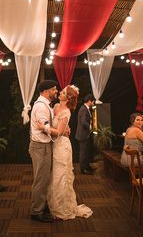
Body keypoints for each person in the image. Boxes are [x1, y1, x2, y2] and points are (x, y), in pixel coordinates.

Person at [37, 85, 93, 220]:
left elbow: (60, 132)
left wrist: (43, 128)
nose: (59, 93)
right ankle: (52, 205)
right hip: (54, 145)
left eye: (62, 92)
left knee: (60, 176)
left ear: (67, 98)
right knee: (53, 176)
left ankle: (61, 208)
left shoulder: (66, 112)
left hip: (62, 146)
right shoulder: (55, 106)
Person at [29, 80, 58, 222]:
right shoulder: (41, 107)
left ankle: (42, 205)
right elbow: (44, 126)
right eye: (54, 89)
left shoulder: (44, 104)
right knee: (41, 179)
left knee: (44, 178)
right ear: (46, 91)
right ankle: (36, 211)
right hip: (40, 147)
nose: (56, 91)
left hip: (42, 146)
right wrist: (59, 132)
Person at [75, 94, 96, 175]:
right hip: (83, 135)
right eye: (93, 102)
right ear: (90, 101)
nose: (93, 103)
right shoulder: (84, 109)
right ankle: (83, 169)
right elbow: (83, 122)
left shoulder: (85, 108)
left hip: (84, 134)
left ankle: (87, 166)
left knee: (86, 152)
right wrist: (91, 127)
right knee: (83, 152)